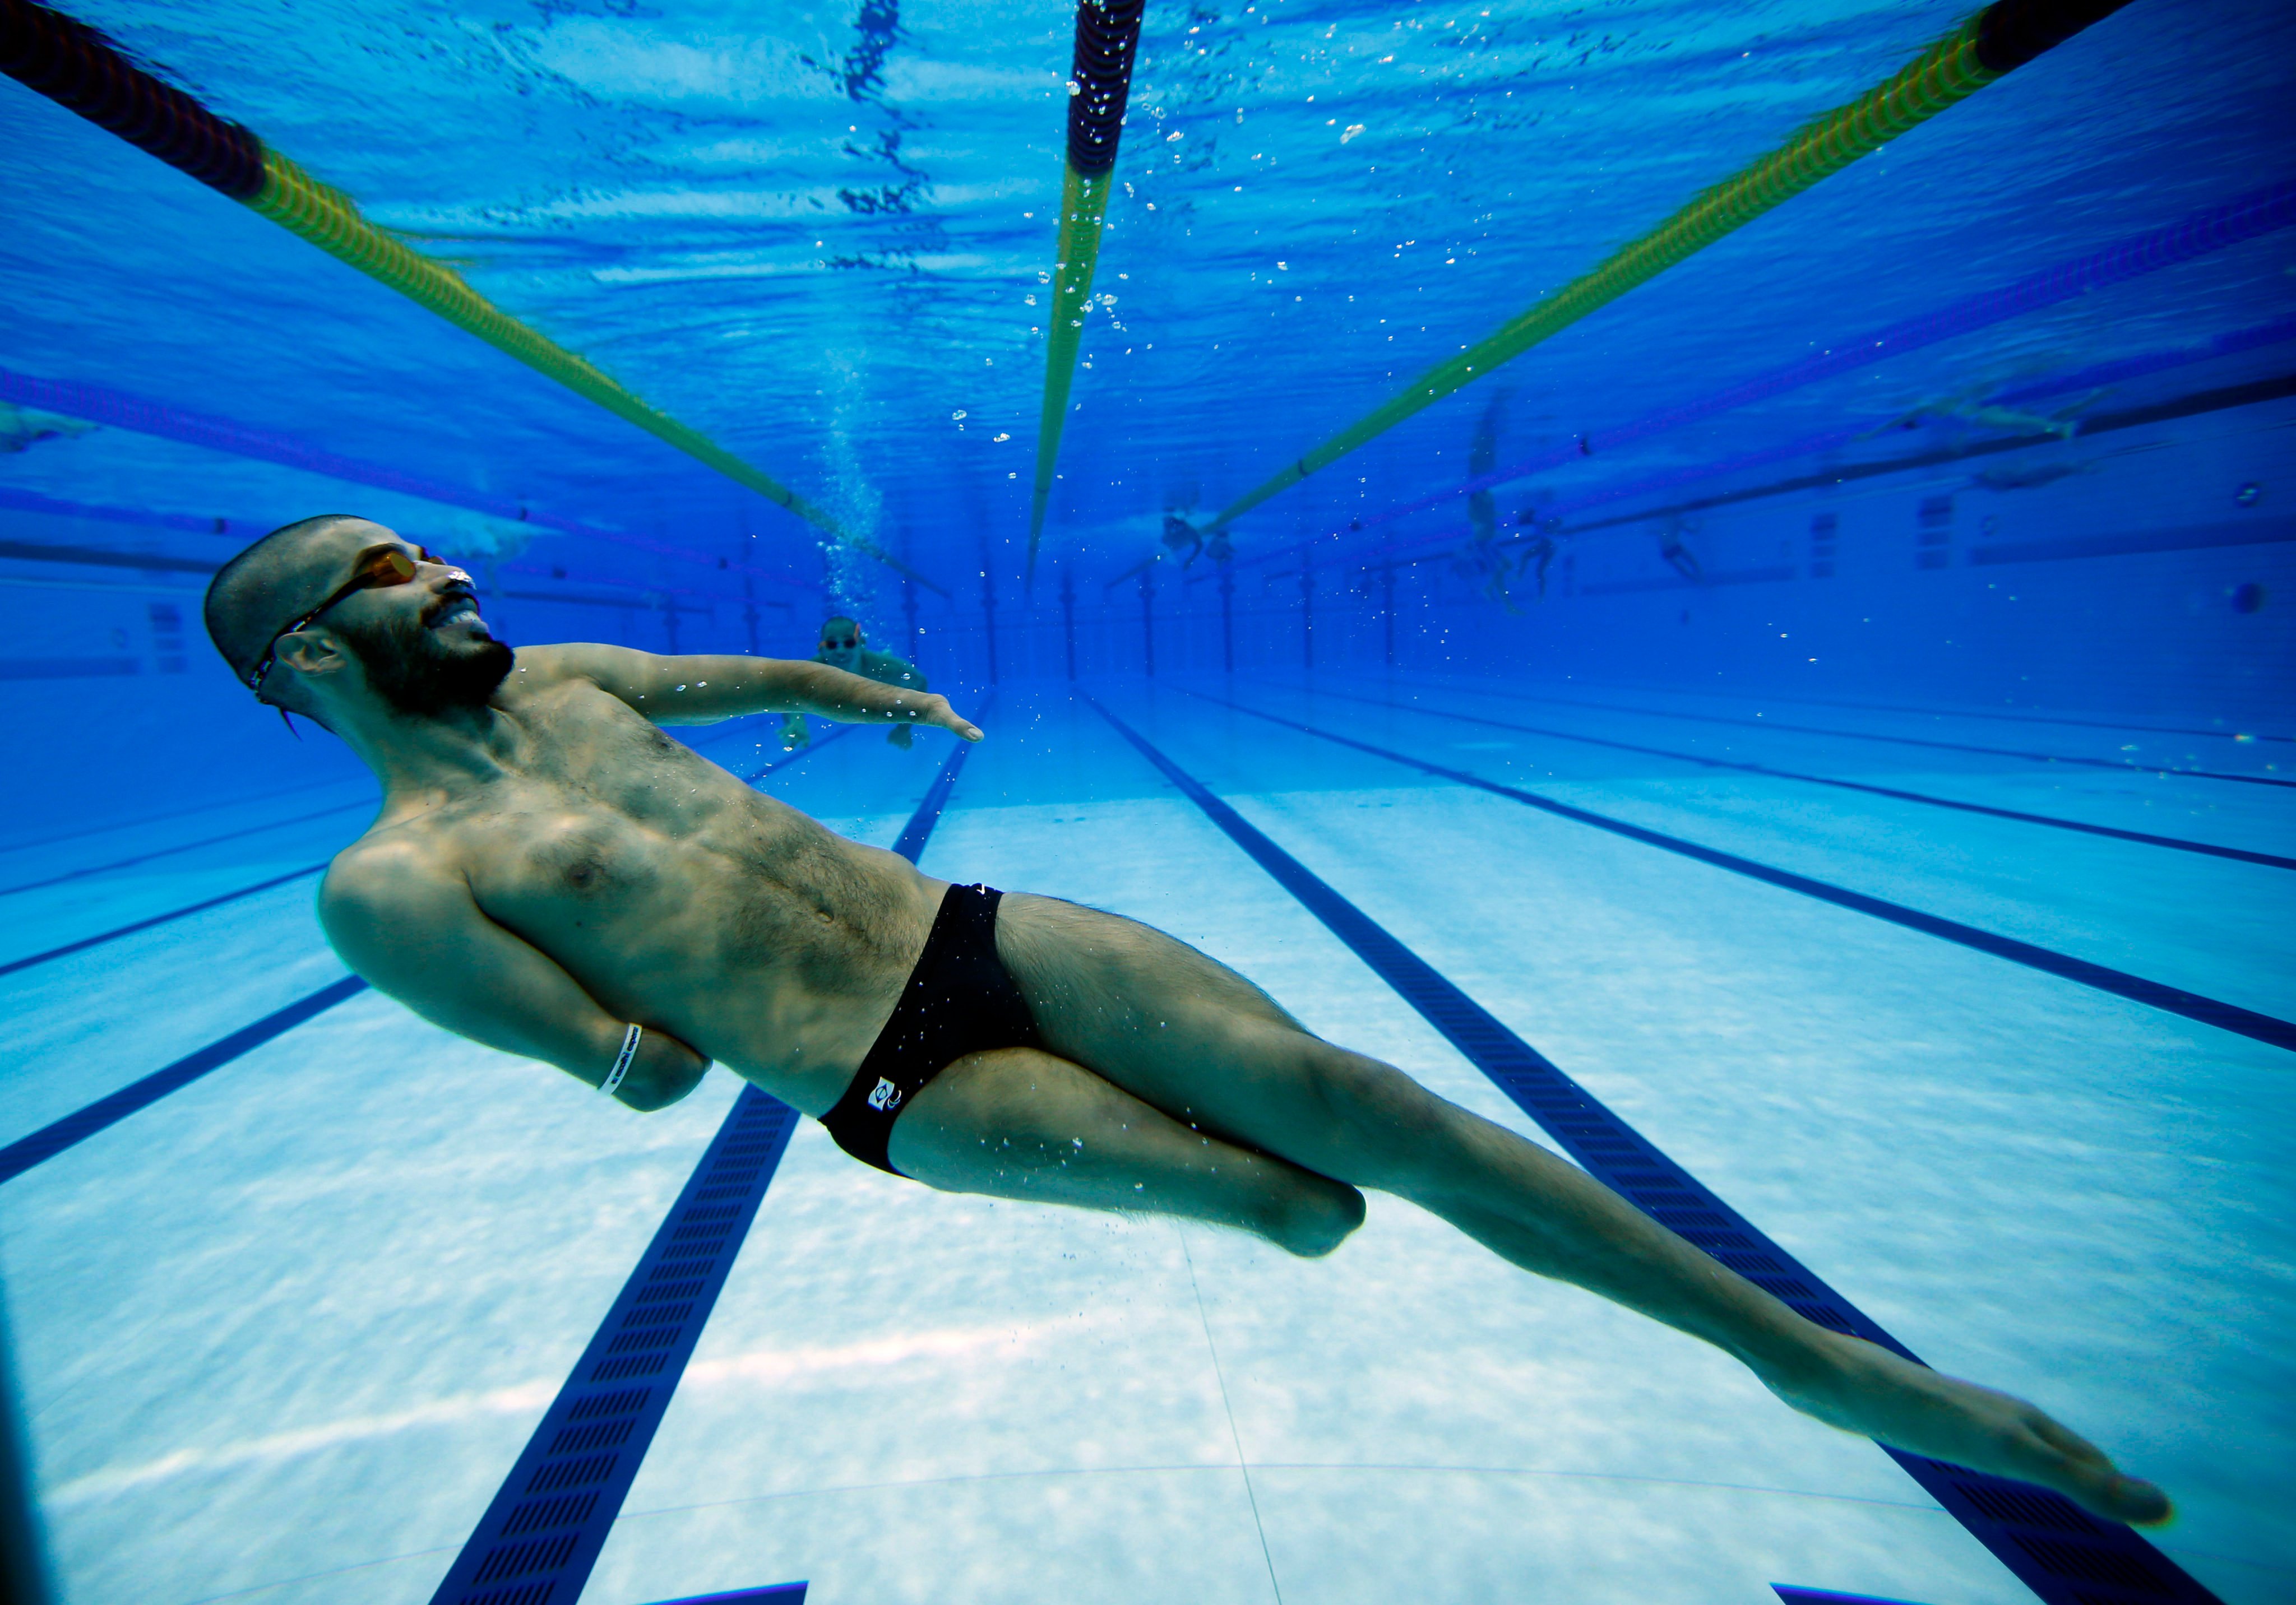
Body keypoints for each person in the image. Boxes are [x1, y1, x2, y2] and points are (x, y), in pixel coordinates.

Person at [198, 514, 2171, 1529]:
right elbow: (633, 1082)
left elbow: (722, 670)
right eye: (388, 570)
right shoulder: (390, 891)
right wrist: (632, 1009)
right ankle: (1286, 1211)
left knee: (1352, 1091)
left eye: (426, 545)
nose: (442, 568)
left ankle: (1810, 1360)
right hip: (900, 1076)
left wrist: (876, 701)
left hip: (983, 923)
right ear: (314, 649)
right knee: (1299, 1202)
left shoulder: (563, 677)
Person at [779, 615, 927, 751]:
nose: (841, 651)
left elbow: (920, 683)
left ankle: (886, 653)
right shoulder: (813, 670)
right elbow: (786, 692)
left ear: (861, 644)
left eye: (849, 643)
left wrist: (904, 729)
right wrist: (795, 720)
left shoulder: (886, 668)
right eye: (831, 644)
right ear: (822, 649)